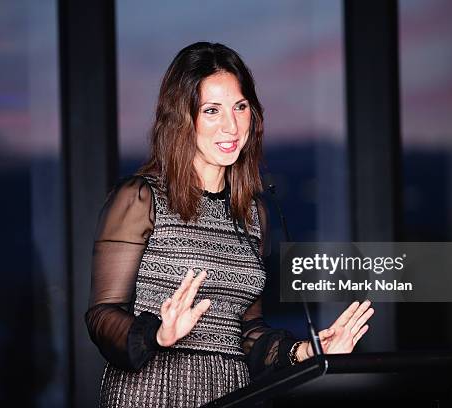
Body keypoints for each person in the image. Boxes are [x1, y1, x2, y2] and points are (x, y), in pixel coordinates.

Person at [85, 42, 374, 408]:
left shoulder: (253, 214)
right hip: (154, 392)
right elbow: (101, 314)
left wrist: (307, 350)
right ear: (182, 119)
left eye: (240, 107)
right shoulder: (141, 198)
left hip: (232, 395)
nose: (231, 125)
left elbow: (247, 333)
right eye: (211, 110)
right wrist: (158, 333)